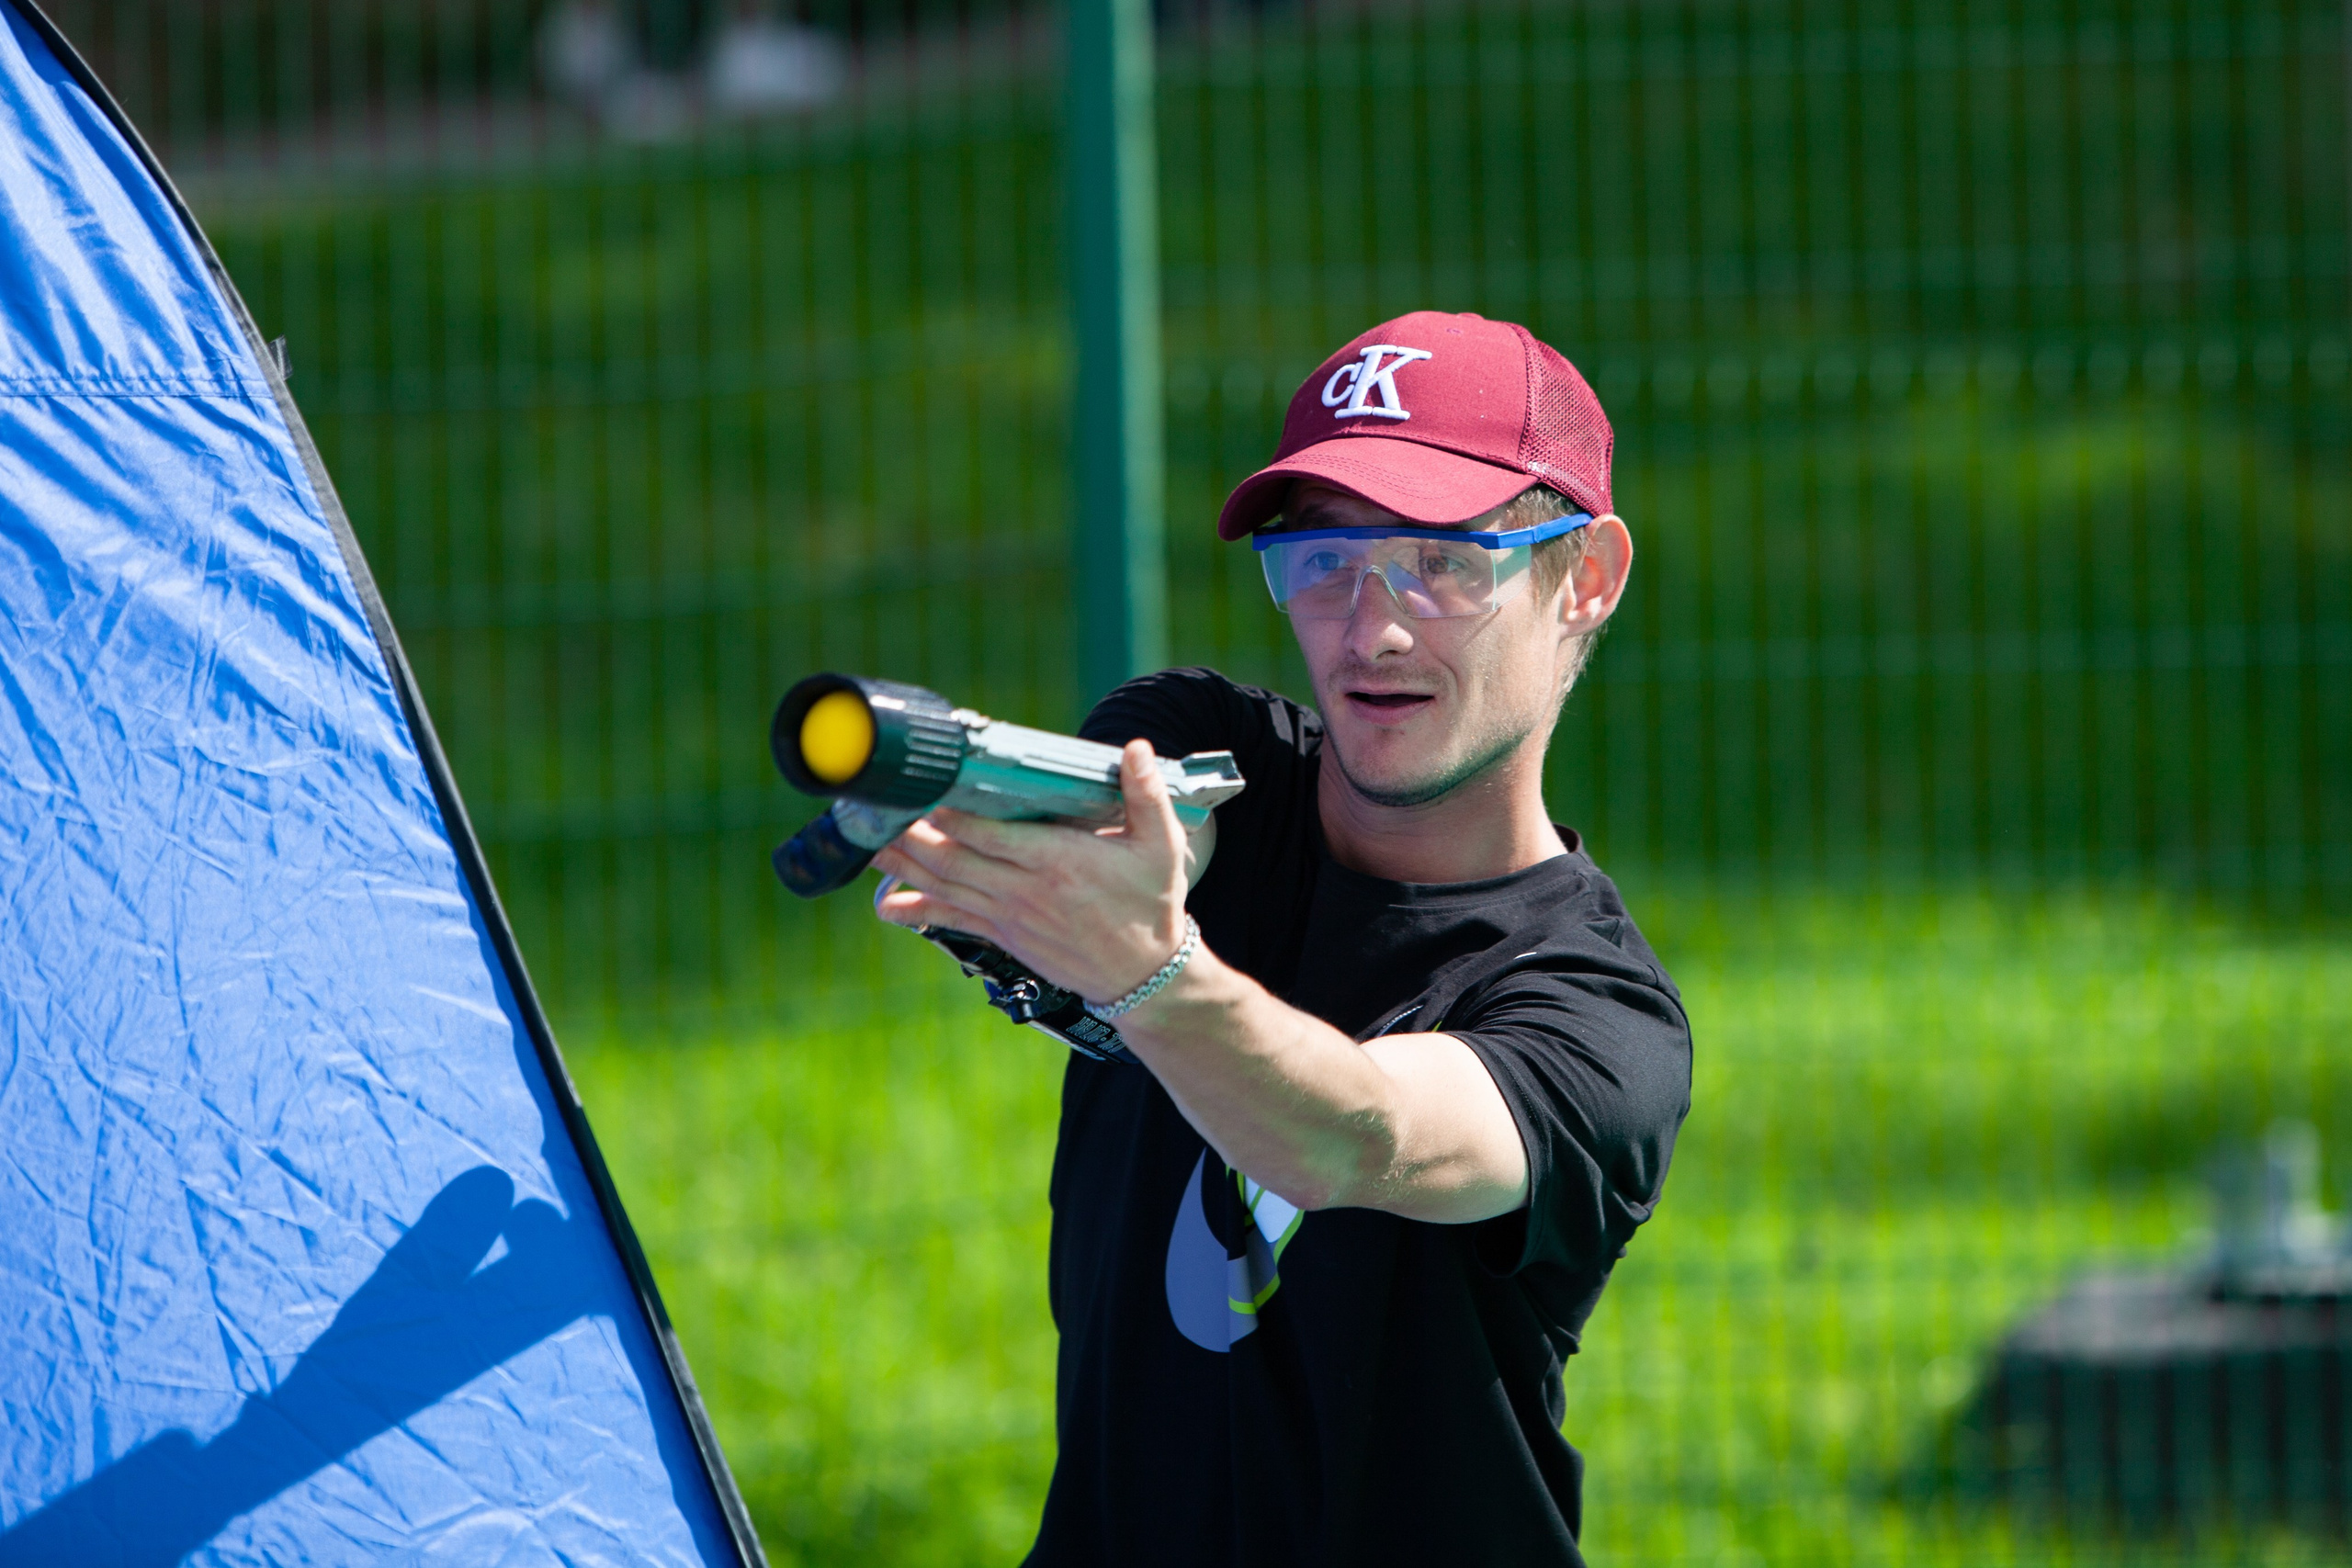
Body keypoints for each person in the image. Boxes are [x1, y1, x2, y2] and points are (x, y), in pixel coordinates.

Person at [872, 310, 1693, 1566]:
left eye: (1445, 561)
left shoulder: (1594, 1019)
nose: (1373, 630)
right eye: (1321, 558)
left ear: (1585, 576)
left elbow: (1355, 1133)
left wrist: (1144, 971)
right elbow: (1144, 830)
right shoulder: (1215, 758)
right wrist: (1029, 847)